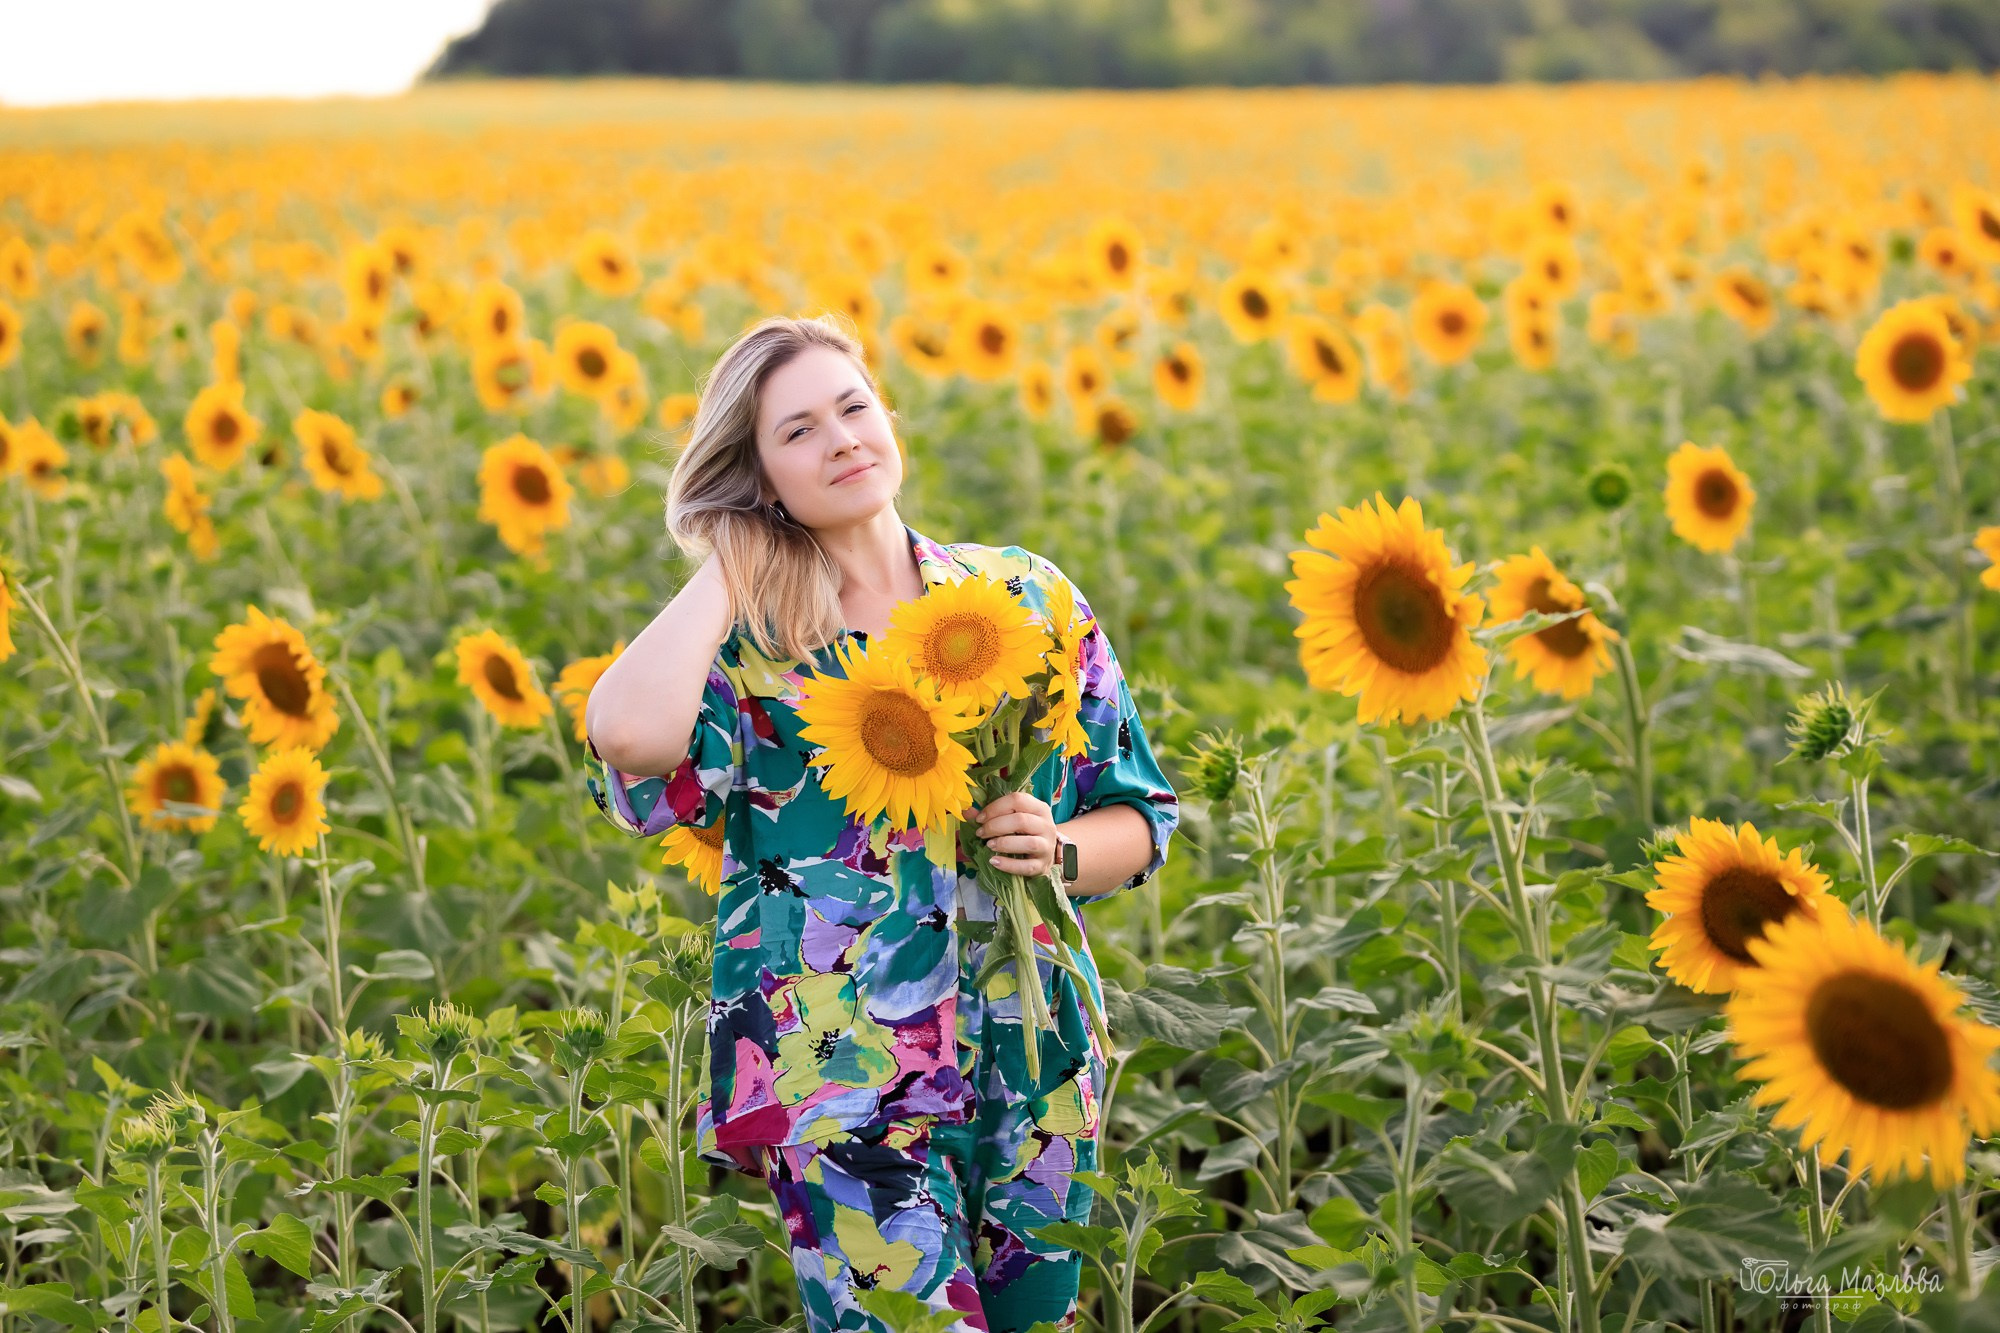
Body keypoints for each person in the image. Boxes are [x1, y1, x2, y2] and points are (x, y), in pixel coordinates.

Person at [582, 313, 1179, 1333]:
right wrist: (729, 566)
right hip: (840, 1084)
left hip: (1033, 1067)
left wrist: (1059, 849)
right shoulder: (754, 654)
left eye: (853, 407)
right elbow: (630, 747)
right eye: (798, 430)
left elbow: (1141, 814)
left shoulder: (1019, 596)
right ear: (758, 475)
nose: (842, 439)